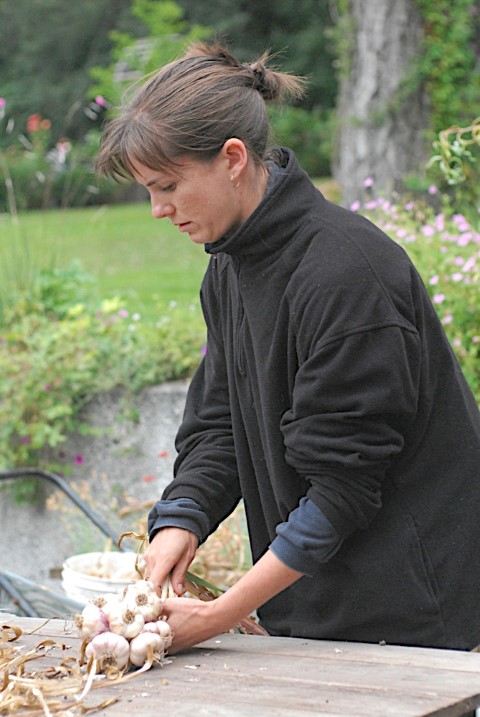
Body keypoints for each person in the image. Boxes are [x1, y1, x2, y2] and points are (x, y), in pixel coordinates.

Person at [96, 42, 480, 655]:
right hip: (318, 612)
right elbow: (220, 425)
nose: (157, 210)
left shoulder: (347, 274)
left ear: (231, 158)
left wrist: (221, 614)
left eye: (167, 185)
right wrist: (182, 517)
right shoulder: (227, 270)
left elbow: (342, 489)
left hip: (414, 623)